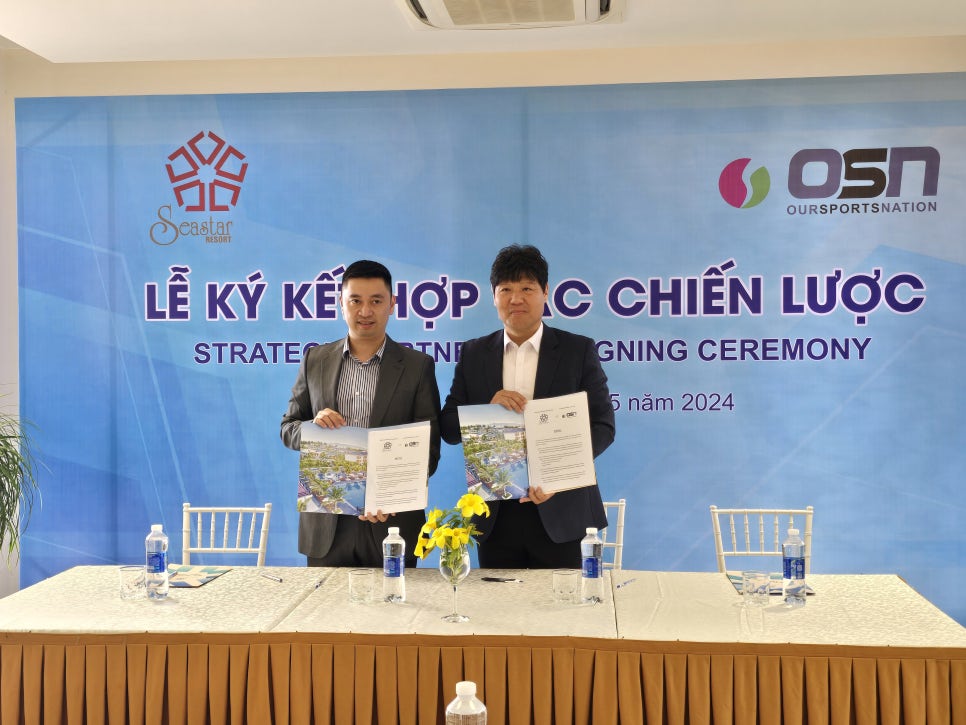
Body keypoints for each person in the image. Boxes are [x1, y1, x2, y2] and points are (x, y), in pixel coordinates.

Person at [440, 244, 615, 568]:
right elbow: (448, 427)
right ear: (493, 296)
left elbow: (603, 425)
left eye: (526, 289)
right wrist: (486, 411)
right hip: (496, 516)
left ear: (545, 291)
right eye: (506, 289)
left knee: (565, 601)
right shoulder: (474, 353)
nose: (515, 299)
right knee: (497, 601)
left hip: (563, 511)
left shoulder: (577, 350)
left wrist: (557, 475)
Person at [281, 259, 441, 568]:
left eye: (376, 301)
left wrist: (390, 496)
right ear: (341, 303)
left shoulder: (417, 366)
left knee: (395, 601)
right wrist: (312, 428)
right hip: (328, 523)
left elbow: (429, 451)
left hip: (391, 521)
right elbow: (288, 427)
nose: (365, 311)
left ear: (392, 305)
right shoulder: (315, 359)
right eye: (355, 300)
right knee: (326, 601)